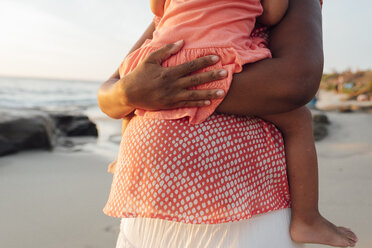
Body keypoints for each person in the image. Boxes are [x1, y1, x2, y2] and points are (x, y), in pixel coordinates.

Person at [98, 0, 357, 247]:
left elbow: (295, 83)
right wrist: (128, 94)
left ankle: (122, 158)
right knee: (300, 120)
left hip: (240, 217)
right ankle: (307, 218)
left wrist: (147, 93)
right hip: (149, 210)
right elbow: (272, 14)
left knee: (138, 99)